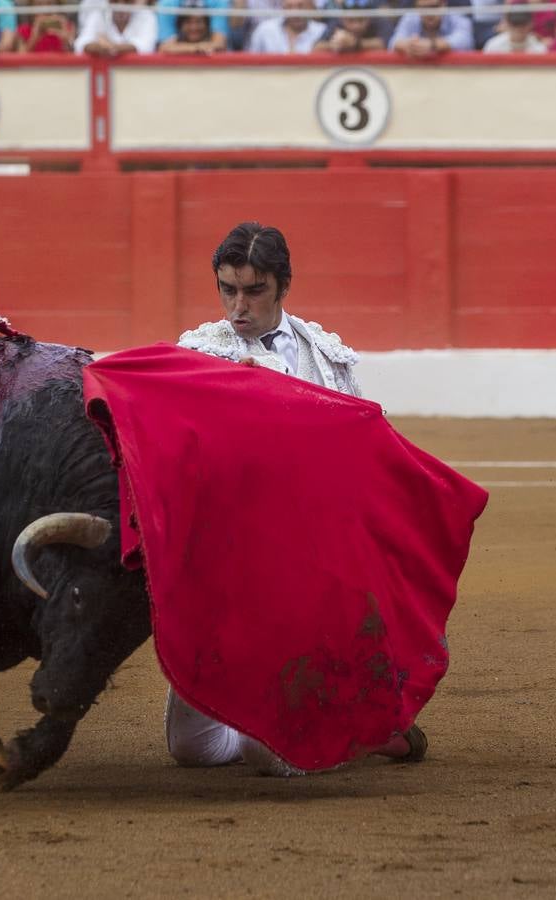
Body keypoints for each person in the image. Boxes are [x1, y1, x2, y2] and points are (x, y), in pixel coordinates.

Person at [171, 222, 426, 774]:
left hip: (308, 567)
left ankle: (326, 717)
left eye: (254, 291)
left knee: (273, 758)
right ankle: (346, 719)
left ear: (283, 286)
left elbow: (358, 457)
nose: (238, 306)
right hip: (228, 570)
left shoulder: (327, 357)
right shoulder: (197, 355)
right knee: (192, 751)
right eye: (228, 290)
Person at [389, 0, 473, 57]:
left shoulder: (458, 19)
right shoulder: (410, 18)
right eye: (423, 8)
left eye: (434, 6)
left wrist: (432, 45)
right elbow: (393, 43)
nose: (429, 13)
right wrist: (409, 45)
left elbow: (465, 41)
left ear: (443, 4)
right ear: (417, 7)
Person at [76, 0, 156, 56]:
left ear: (133, 2)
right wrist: (98, 47)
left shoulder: (146, 16)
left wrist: (112, 47)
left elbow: (146, 47)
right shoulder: (99, 14)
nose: (121, 6)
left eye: (126, 1)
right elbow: (80, 43)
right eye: (115, 0)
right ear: (109, 1)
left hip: (137, 73)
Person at [246, 0, 324, 53]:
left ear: (309, 7)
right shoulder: (264, 30)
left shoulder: (322, 31)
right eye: (290, 7)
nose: (295, 12)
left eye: (300, 6)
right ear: (283, 7)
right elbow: (250, 62)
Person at [314, 0, 385, 53]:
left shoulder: (377, 21)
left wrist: (356, 44)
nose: (356, 26)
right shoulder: (336, 23)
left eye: (361, 20)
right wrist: (335, 45)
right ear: (342, 19)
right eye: (351, 20)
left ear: (369, 18)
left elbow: (384, 44)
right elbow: (317, 47)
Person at [482, 2, 547, 53]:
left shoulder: (539, 49)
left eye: (522, 27)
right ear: (507, 23)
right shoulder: (493, 46)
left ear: (530, 24)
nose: (518, 32)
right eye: (514, 26)